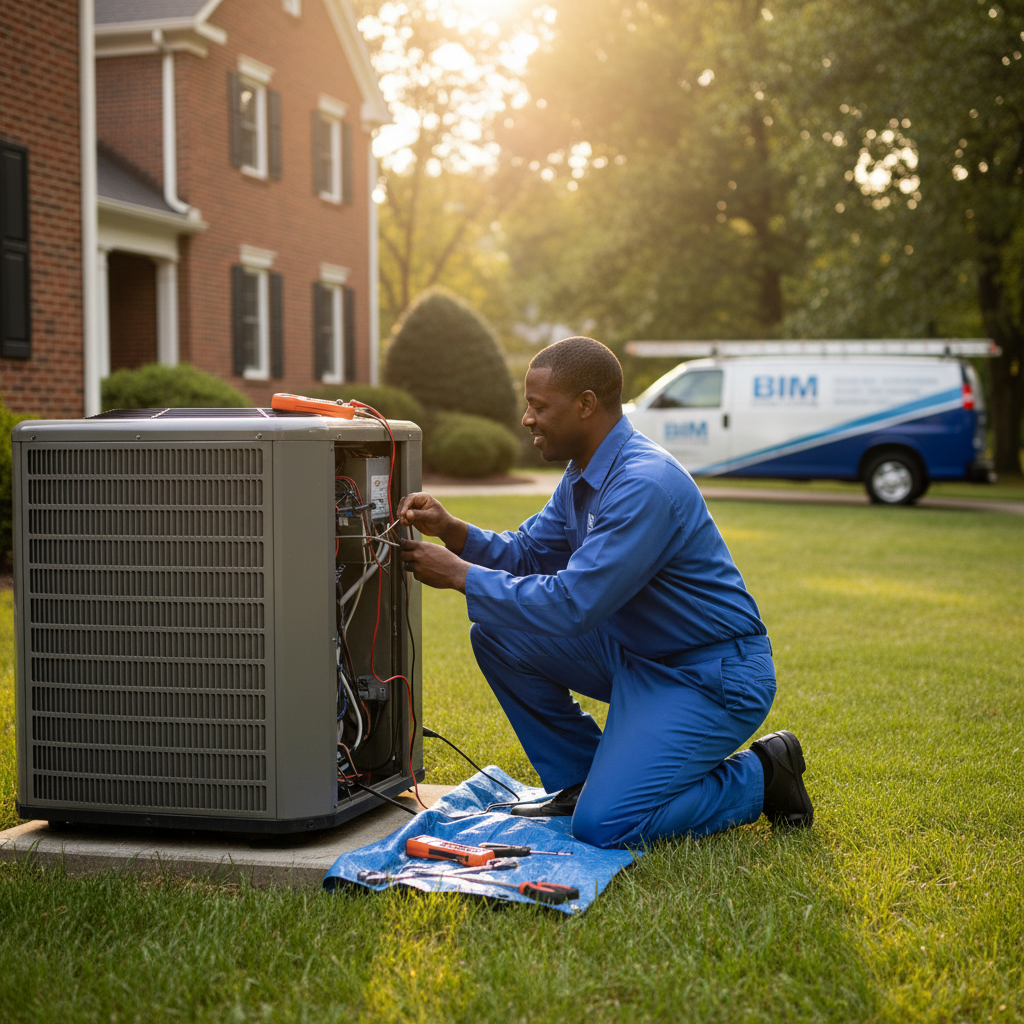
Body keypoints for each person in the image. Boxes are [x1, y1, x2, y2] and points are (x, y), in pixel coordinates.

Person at [398, 336, 812, 849]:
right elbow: (529, 553)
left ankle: (763, 775)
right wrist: (453, 529)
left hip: (708, 675)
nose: (527, 419)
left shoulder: (644, 484)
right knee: (498, 633)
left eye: (538, 406)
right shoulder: (583, 474)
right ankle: (582, 780)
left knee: (607, 825)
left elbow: (574, 604)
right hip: (637, 656)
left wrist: (460, 574)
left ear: (586, 405)